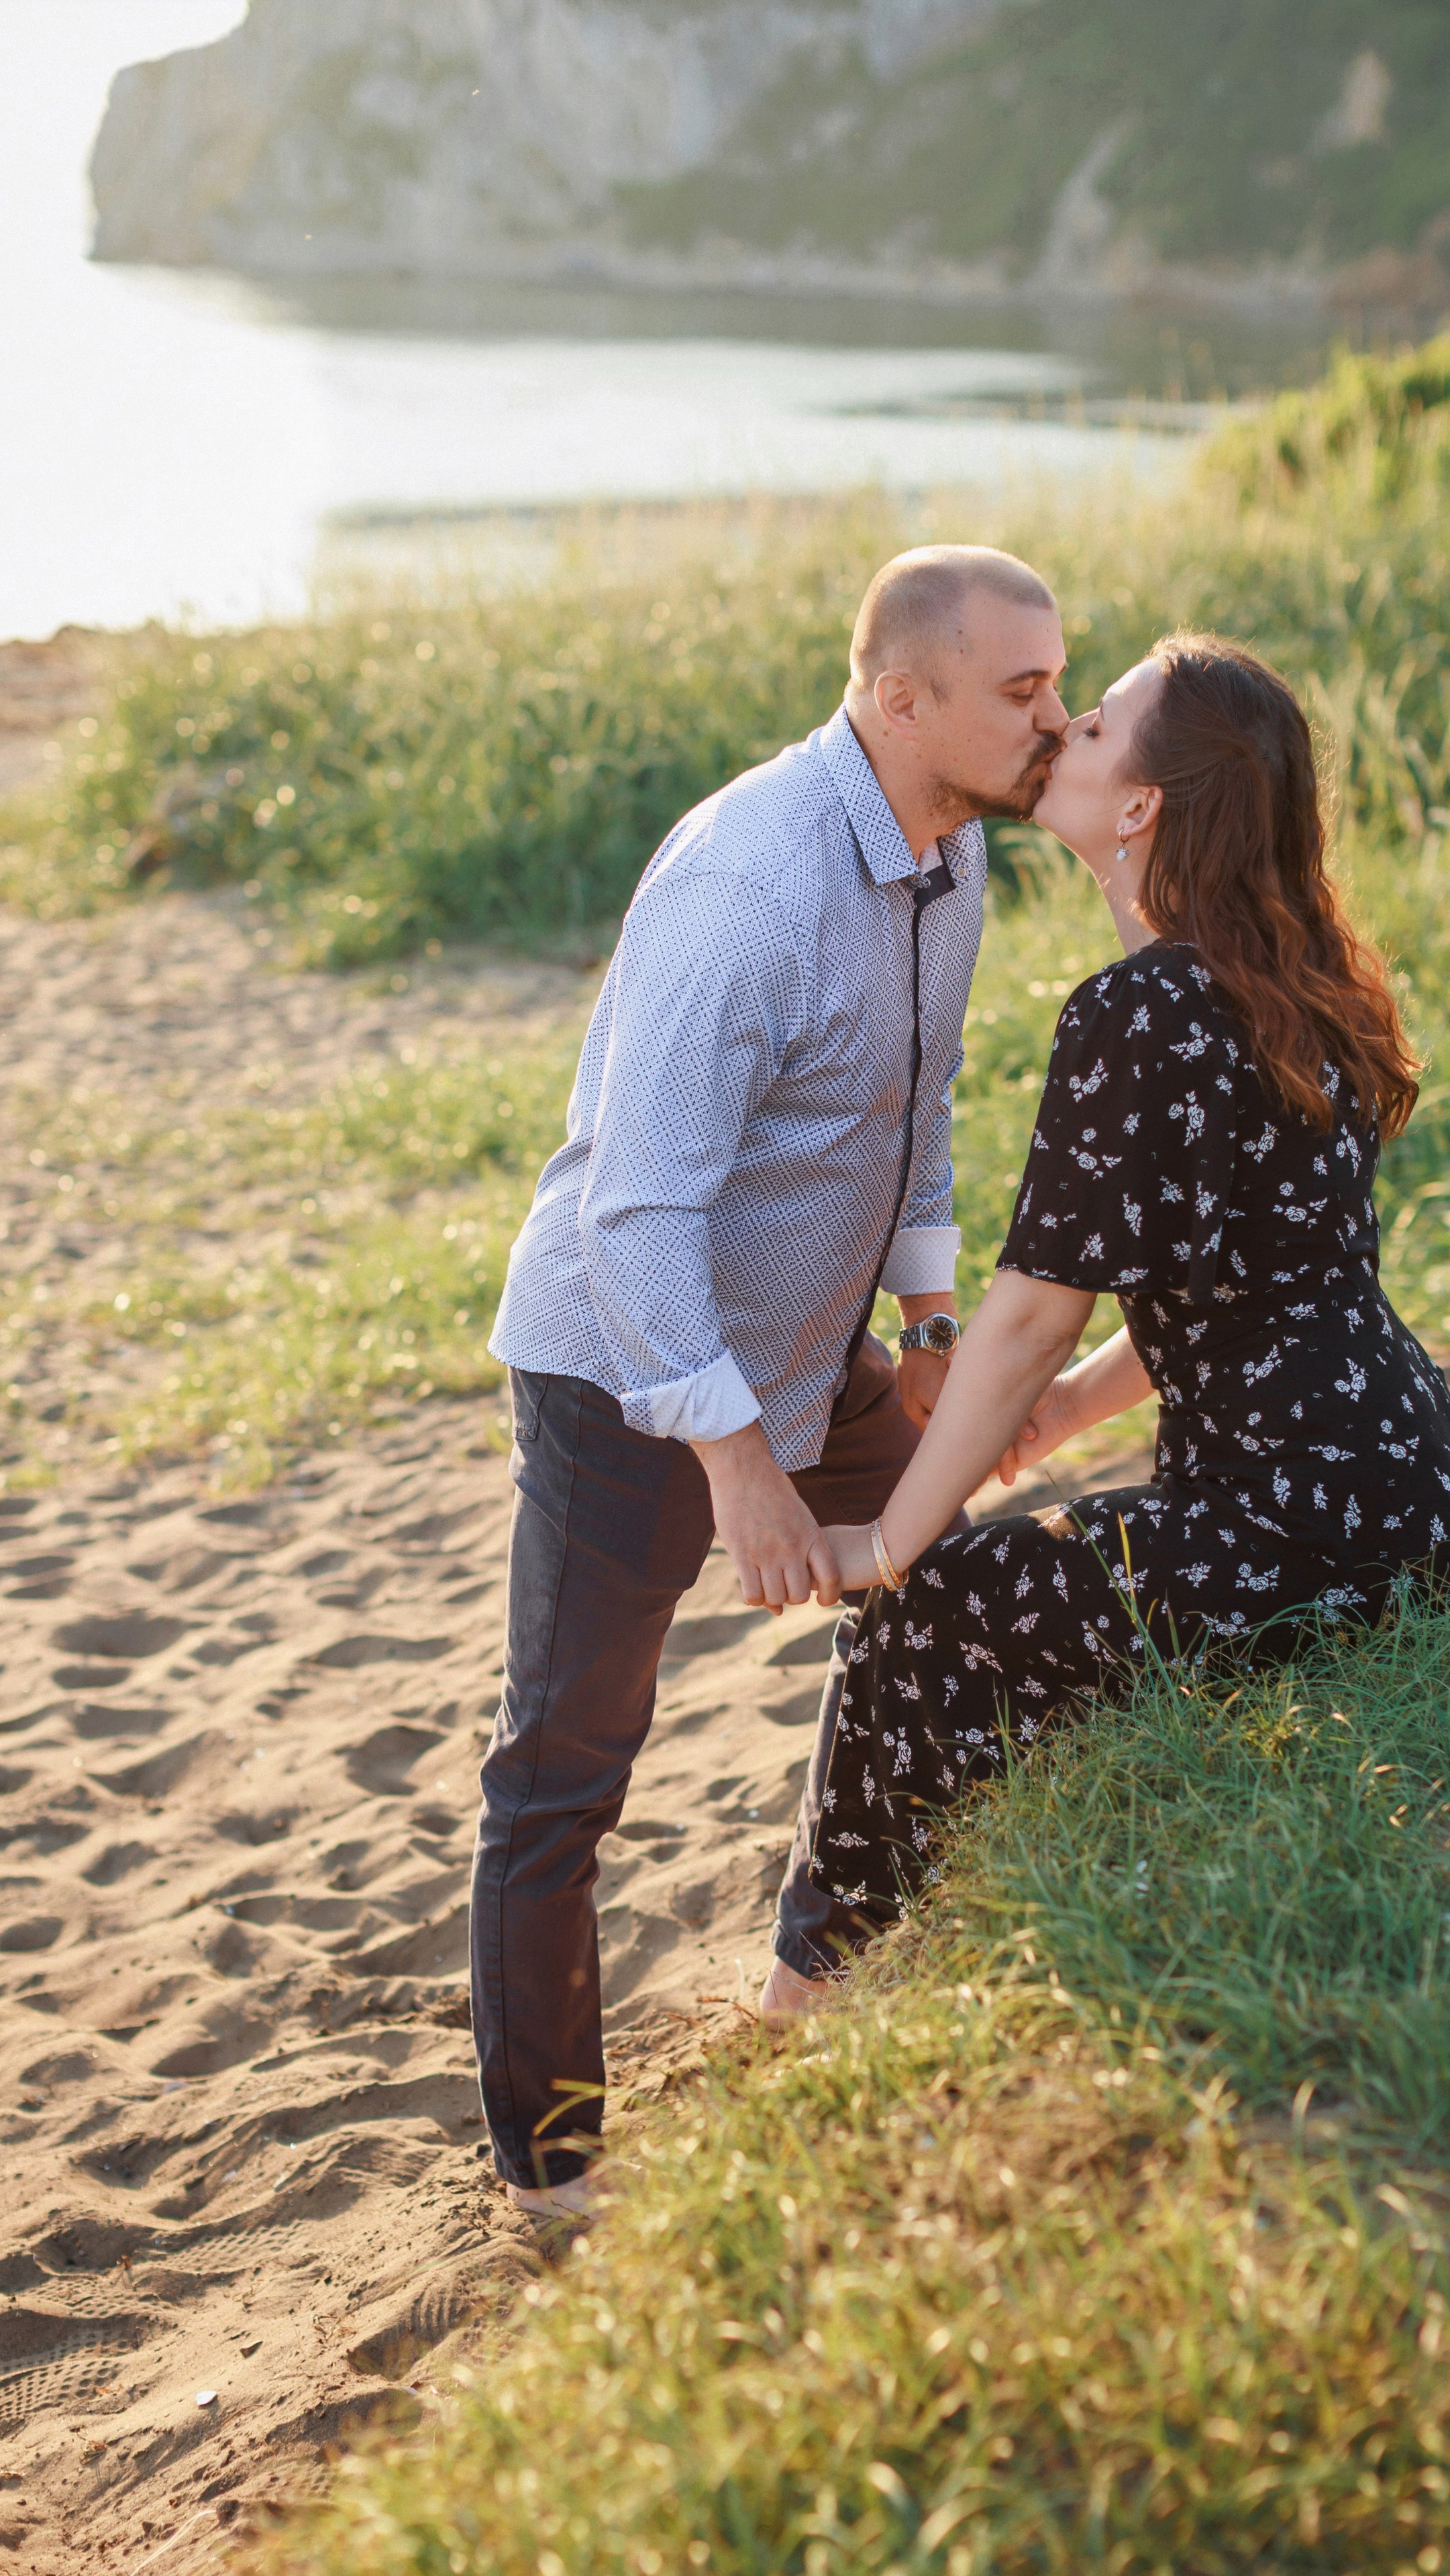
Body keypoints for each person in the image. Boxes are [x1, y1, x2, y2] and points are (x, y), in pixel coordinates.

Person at [764, 633, 1450, 2002]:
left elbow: (1030, 1314)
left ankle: (808, 2001)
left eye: (1093, 726)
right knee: (1003, 1598)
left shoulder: (1142, 1008)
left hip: (1297, 1530)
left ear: (1141, 806)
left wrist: (890, 1536)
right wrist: (1055, 1424)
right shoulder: (1293, 979)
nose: (1062, 730)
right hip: (1432, 1498)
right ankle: (922, 1935)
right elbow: (1264, 1290)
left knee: (915, 1616)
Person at [473, 545, 1071, 2213]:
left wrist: (937, 1332)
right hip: (627, 1375)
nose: (1059, 719)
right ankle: (554, 2171)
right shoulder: (752, 880)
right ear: (900, 699)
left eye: (1058, 681)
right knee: (560, 1773)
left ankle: (841, 1971)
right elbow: (637, 1205)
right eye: (1020, 691)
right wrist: (737, 1465)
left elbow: (913, 1108)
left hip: (823, 1359)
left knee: (975, 1592)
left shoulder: (953, 861)